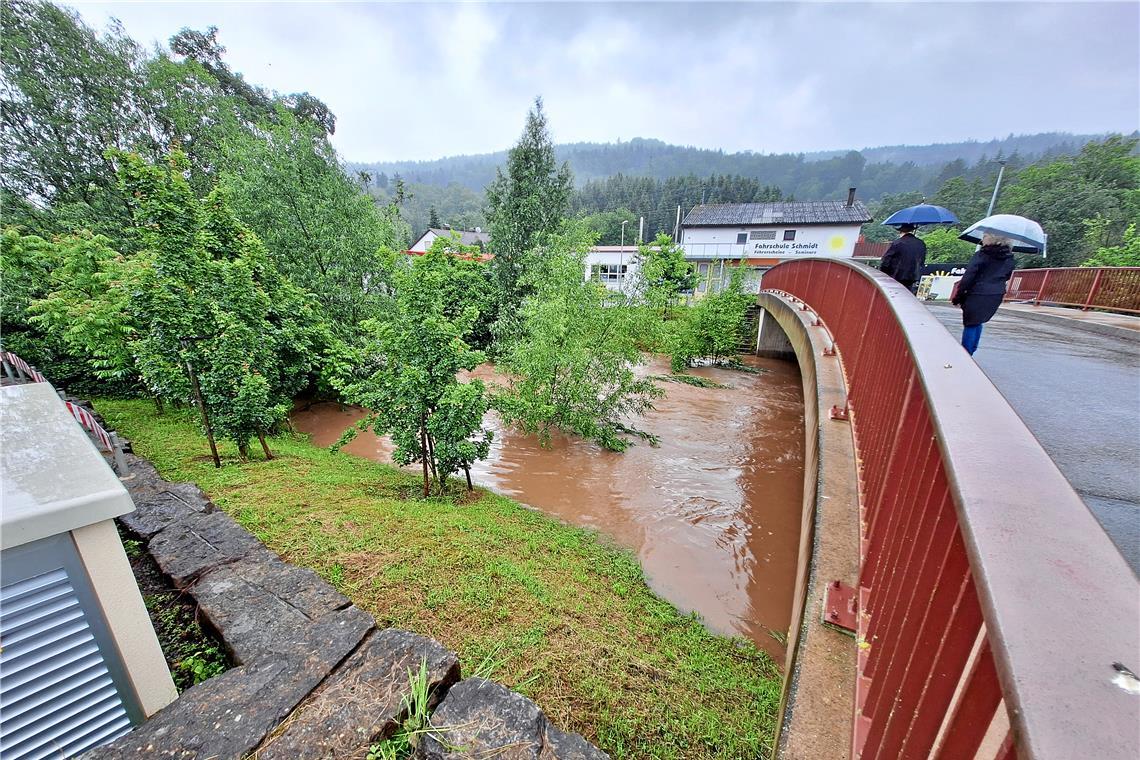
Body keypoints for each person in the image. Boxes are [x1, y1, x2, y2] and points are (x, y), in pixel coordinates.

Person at [951, 233, 1016, 355]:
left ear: (992, 238)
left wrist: (959, 296)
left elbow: (969, 276)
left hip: (978, 292)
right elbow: (1007, 275)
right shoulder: (1009, 257)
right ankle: (971, 350)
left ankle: (966, 353)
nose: (982, 239)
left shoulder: (982, 255)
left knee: (970, 322)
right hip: (996, 293)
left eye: (985, 236)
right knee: (978, 321)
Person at [880, 224, 927, 292]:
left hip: (897, 275)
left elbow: (886, 261)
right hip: (913, 276)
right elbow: (922, 261)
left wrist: (883, 273)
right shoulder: (921, 243)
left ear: (901, 232)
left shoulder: (898, 242)